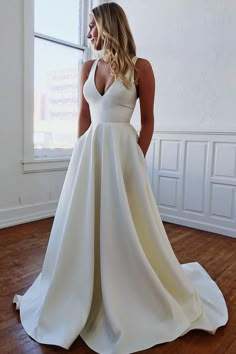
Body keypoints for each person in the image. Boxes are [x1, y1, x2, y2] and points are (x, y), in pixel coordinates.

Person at [13, 2, 228, 353]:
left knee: (124, 225)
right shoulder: (87, 67)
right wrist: (78, 153)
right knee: (81, 225)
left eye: (92, 26)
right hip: (89, 156)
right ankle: (80, 288)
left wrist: (136, 162)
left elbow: (149, 121)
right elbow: (84, 116)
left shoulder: (141, 68)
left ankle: (129, 290)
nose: (88, 33)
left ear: (109, 25)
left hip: (123, 156)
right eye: (87, 27)